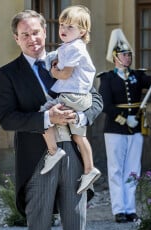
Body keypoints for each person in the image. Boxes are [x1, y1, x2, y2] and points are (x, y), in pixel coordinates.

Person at [0, 9, 103, 230]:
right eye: (25, 34)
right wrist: (46, 120)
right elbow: (7, 119)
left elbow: (94, 97)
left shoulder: (67, 56)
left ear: (45, 32)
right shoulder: (7, 74)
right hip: (36, 160)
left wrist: (82, 119)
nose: (32, 39)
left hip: (73, 155)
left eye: (36, 32)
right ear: (16, 38)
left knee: (75, 227)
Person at [39, 5, 101, 195]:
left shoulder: (74, 48)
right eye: (61, 25)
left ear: (82, 31)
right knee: (78, 136)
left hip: (73, 95)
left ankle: (53, 151)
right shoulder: (71, 47)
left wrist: (53, 71)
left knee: (44, 115)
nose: (64, 30)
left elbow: (65, 74)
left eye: (70, 27)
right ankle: (89, 169)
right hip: (78, 97)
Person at [98, 28, 151, 223]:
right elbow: (106, 105)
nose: (128, 57)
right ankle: (119, 210)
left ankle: (130, 209)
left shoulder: (137, 76)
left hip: (136, 127)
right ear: (115, 57)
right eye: (124, 54)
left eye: (129, 54)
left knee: (133, 169)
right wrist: (124, 118)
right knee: (116, 169)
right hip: (115, 128)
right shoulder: (107, 78)